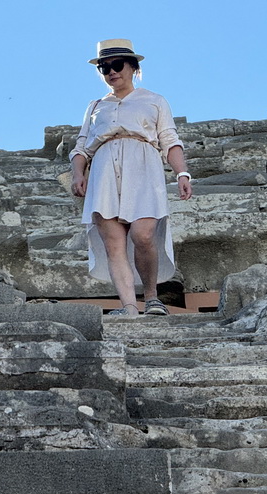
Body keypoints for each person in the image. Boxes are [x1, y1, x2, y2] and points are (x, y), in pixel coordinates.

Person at [69, 38, 192, 316]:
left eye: (117, 65)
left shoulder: (155, 101)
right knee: (114, 244)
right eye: (104, 67)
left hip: (143, 166)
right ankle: (128, 306)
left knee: (143, 234)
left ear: (133, 67)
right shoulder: (95, 106)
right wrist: (77, 173)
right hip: (103, 170)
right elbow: (81, 147)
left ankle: (151, 297)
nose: (111, 72)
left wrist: (181, 172)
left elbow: (169, 140)